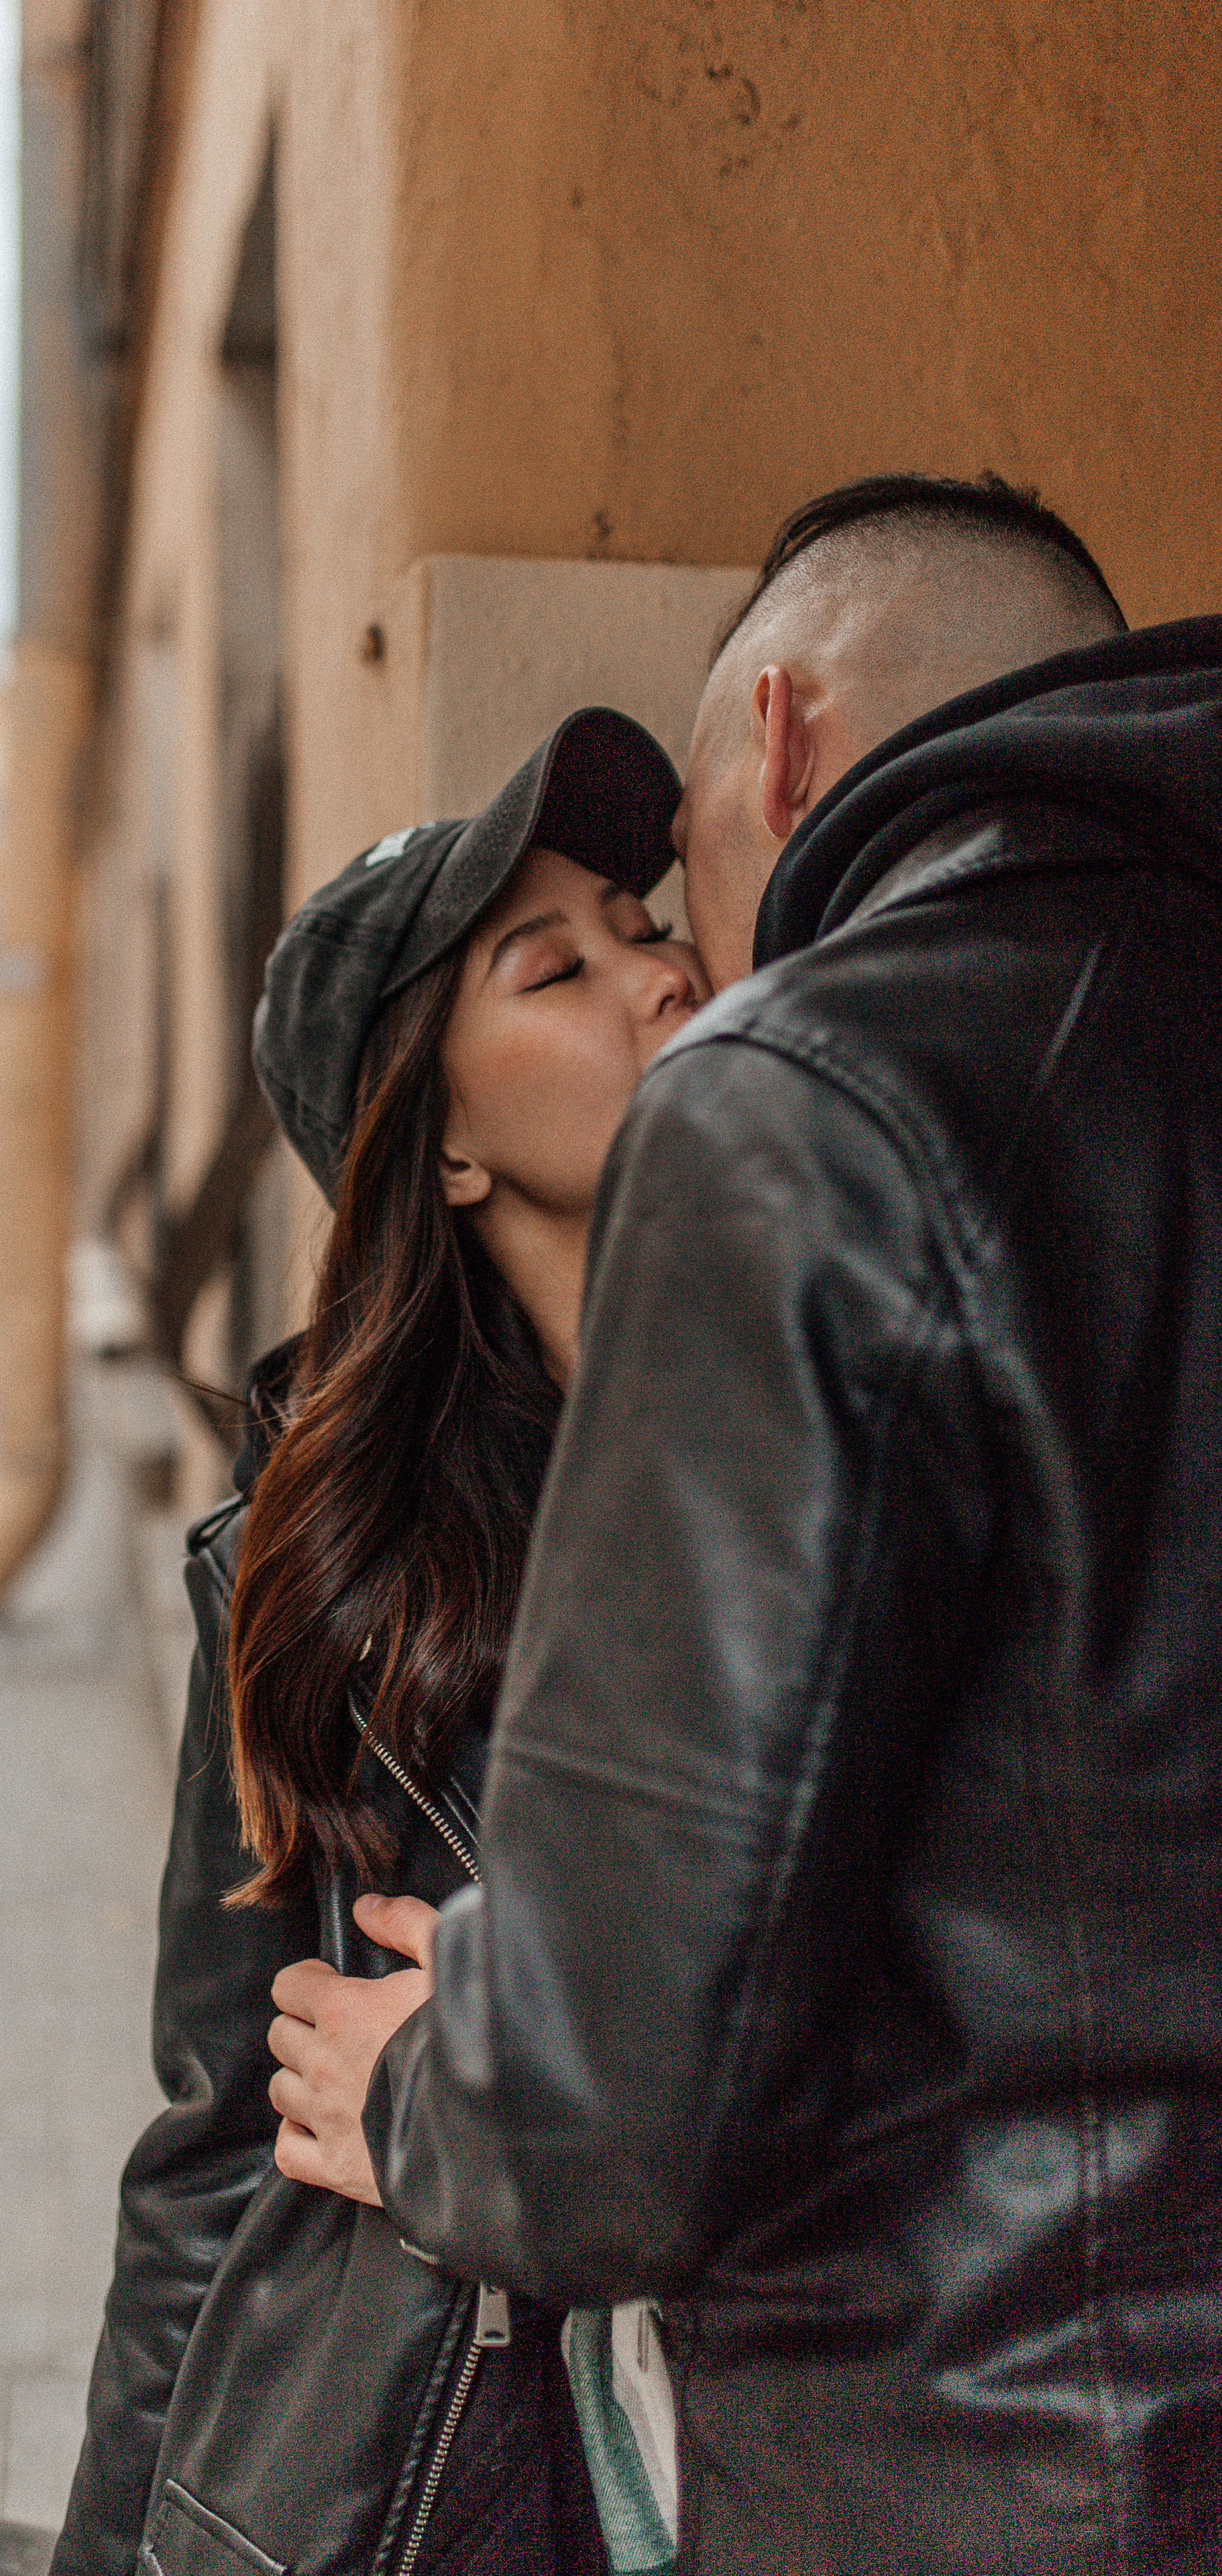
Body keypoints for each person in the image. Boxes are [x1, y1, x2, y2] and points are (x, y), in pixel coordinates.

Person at [266, 474, 1222, 2572]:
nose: (689, 941)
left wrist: (432, 2080)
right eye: (557, 958)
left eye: (670, 867)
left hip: (992, 2468)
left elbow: (606, 2123)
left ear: (775, 742)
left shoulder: (816, 1094)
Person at [50, 707, 709, 2576]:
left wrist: (485, 2069)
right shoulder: (325, 1576)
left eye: (640, 920)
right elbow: (216, 2144)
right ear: (442, 1151)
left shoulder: (828, 1438)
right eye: (552, 965)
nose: (661, 976)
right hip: (455, 2485)